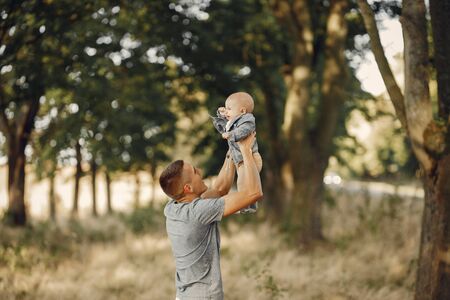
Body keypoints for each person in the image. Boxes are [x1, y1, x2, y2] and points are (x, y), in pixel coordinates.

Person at [160, 133, 263, 300]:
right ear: (187, 188)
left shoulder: (173, 207)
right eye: (194, 172)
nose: (199, 171)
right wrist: (245, 149)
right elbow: (253, 193)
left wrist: (232, 147)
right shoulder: (198, 212)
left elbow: (221, 189)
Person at [211, 92, 263, 213]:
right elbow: (222, 126)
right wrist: (221, 114)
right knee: (242, 183)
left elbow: (244, 131)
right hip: (241, 159)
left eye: (229, 108)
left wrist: (231, 135)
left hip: (251, 158)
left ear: (243, 111)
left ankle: (248, 206)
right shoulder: (233, 122)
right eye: (226, 108)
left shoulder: (248, 120)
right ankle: (245, 205)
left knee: (246, 183)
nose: (227, 111)